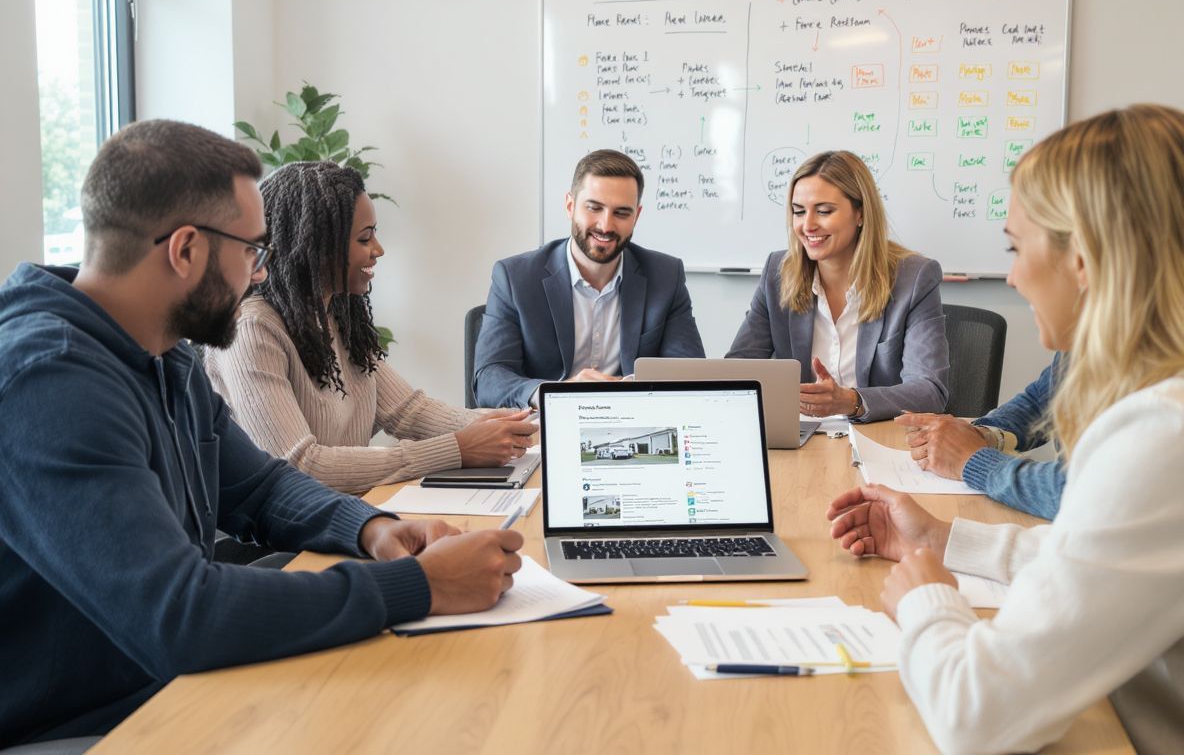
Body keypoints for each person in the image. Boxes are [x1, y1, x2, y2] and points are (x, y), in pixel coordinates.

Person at [0, 120, 523, 748]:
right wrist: (420, 587)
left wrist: (372, 528)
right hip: (86, 723)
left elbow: (262, 487)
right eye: (253, 250)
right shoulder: (49, 381)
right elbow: (181, 614)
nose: (260, 275)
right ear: (186, 249)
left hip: (166, 688)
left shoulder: (162, 353)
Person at [827, 104, 1184, 754]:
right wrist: (941, 540)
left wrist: (927, 602)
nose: (1013, 275)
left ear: (1085, 257)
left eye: (1016, 248)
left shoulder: (1160, 436)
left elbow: (977, 717)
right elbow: (1091, 555)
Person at [204, 161, 537, 496]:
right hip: (286, 538)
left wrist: (515, 425)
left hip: (347, 512)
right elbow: (300, 467)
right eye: (365, 238)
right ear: (316, 246)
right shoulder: (251, 331)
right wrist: (457, 449)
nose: (378, 250)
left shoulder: (339, 317)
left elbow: (407, 411)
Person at [726, 150, 949, 422]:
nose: (807, 225)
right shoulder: (778, 272)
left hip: (877, 439)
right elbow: (738, 371)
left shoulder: (913, 279)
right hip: (800, 440)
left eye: (824, 211)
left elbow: (929, 391)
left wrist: (850, 401)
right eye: (798, 212)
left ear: (860, 214)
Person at [473, 148, 705, 409]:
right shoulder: (515, 277)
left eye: (621, 213)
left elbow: (689, 376)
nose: (606, 226)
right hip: (545, 429)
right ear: (570, 206)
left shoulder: (666, 276)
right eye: (594, 208)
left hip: (632, 422)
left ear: (636, 216)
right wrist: (554, 393)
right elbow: (489, 380)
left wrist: (634, 389)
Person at [896, 355, 1066, 519]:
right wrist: (980, 435)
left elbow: (1075, 491)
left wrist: (971, 460)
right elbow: (1040, 403)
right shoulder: (1076, 348)